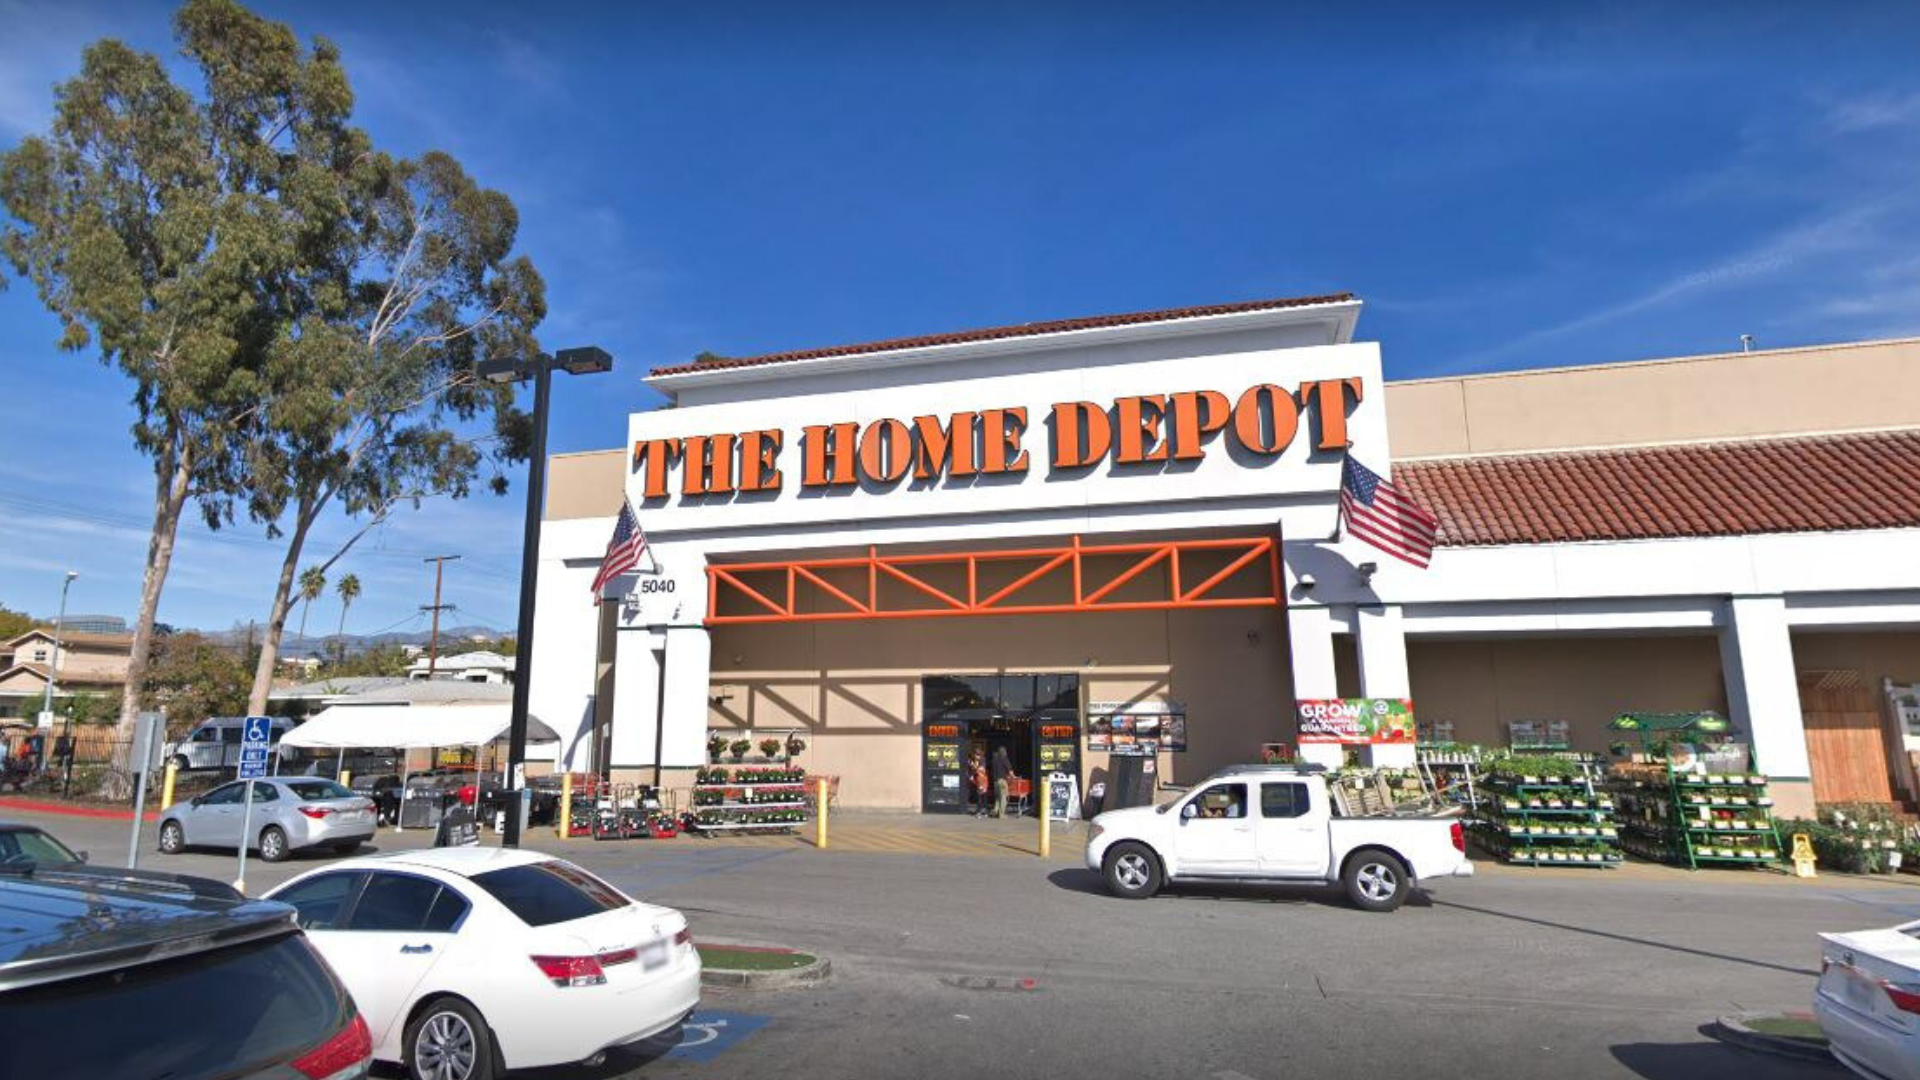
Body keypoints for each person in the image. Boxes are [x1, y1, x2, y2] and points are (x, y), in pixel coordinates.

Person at [990, 745, 1012, 818]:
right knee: (1003, 797)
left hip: (995, 781)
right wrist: (1014, 776)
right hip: (1002, 781)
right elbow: (1010, 771)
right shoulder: (1005, 759)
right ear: (1004, 752)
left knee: (997, 798)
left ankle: (995, 811)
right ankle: (1002, 814)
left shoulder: (995, 760)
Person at [967, 749, 989, 818]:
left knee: (980, 796)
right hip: (980, 780)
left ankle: (979, 812)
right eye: (975, 754)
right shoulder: (977, 761)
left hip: (982, 780)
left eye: (976, 754)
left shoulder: (982, 760)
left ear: (978, 755)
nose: (975, 756)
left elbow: (981, 769)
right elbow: (975, 770)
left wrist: (973, 765)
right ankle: (984, 812)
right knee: (983, 796)